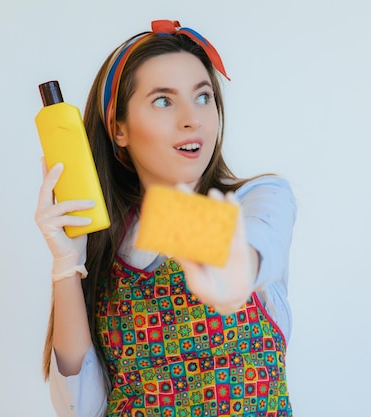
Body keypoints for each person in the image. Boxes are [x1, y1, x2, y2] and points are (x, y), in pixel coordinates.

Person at [34, 19, 296, 417]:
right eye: (163, 100)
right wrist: (67, 266)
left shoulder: (260, 200)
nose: (193, 119)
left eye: (203, 97)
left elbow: (256, 247)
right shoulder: (108, 246)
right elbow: (80, 408)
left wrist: (233, 269)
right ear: (118, 128)